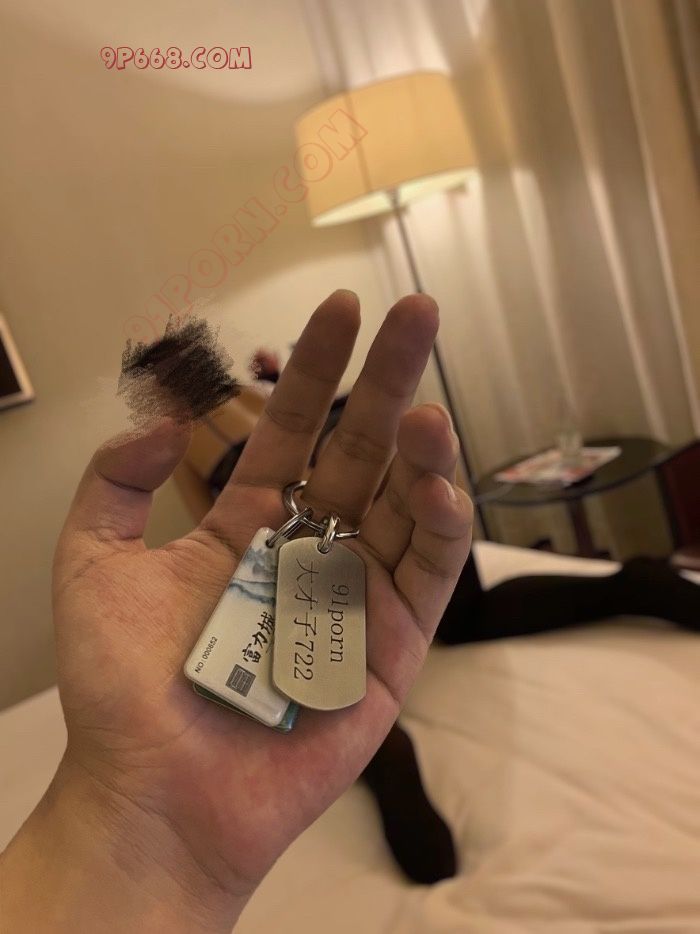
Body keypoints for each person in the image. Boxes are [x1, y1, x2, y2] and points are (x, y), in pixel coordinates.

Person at [0, 290, 474, 932]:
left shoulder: (252, 406)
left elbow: (261, 497)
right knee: (327, 693)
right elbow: (220, 530)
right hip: (304, 567)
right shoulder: (210, 433)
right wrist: (249, 566)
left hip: (352, 555)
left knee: (400, 647)